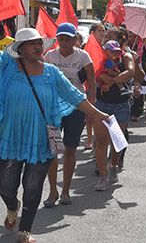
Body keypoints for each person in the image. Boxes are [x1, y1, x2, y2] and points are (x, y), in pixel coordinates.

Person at [0, 28, 110, 243]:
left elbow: (75, 96)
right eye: (33, 44)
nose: (39, 47)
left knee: (32, 186)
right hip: (10, 138)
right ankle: (13, 206)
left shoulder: (51, 73)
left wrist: (98, 114)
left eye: (40, 43)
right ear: (20, 49)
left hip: (41, 139)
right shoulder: (7, 68)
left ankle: (25, 231)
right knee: (5, 186)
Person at [42, 23, 96, 207]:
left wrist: (91, 110)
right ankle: (52, 191)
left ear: (75, 39)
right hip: (53, 109)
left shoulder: (83, 56)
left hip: (75, 107)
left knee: (70, 149)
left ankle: (65, 191)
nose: (64, 42)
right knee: (53, 150)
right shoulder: (49, 56)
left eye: (68, 38)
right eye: (61, 38)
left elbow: (92, 84)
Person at [94, 40, 135, 190]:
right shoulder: (99, 61)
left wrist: (111, 81)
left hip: (121, 106)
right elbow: (96, 75)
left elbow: (130, 73)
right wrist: (105, 78)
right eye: (111, 51)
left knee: (117, 141)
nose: (115, 54)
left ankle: (113, 165)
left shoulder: (125, 59)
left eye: (117, 51)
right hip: (102, 105)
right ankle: (103, 177)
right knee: (100, 142)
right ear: (104, 51)